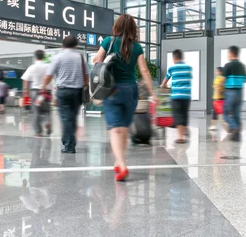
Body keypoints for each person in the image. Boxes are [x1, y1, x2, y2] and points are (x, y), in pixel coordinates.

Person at [93, 14, 156, 182]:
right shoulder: (137, 47)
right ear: (133, 29)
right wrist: (152, 92)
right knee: (124, 129)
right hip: (131, 91)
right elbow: (144, 71)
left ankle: (122, 164)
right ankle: (118, 160)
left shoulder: (108, 42)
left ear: (117, 26)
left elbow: (97, 61)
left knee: (115, 129)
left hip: (112, 89)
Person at [42, 36, 87, 154]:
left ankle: (69, 145)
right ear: (76, 45)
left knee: (66, 118)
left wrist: (43, 87)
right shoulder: (81, 57)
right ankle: (69, 142)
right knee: (72, 117)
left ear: (63, 45)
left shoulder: (58, 57)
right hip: (78, 91)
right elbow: (86, 76)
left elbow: (49, 75)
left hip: (63, 91)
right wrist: (85, 86)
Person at [160, 49, 192, 145]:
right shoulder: (188, 68)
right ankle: (184, 128)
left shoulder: (172, 68)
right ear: (182, 57)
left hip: (176, 96)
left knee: (177, 115)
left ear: (174, 58)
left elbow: (164, 82)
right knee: (184, 113)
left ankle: (181, 137)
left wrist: (163, 86)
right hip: (186, 96)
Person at [222, 45, 246, 141]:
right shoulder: (242, 66)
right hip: (240, 92)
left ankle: (235, 127)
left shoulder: (228, 66)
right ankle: (236, 135)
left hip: (230, 92)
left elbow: (223, 79)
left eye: (228, 53)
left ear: (232, 53)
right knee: (236, 114)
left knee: (225, 113)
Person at [22, 50, 51, 137]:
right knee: (47, 111)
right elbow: (52, 77)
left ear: (35, 57)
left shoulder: (32, 67)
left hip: (35, 92)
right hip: (46, 92)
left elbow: (25, 79)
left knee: (36, 112)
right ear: (44, 57)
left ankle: (38, 132)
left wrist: (26, 91)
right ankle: (48, 122)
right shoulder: (48, 66)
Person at [210, 67, 225, 132]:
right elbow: (214, 86)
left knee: (219, 112)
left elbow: (219, 87)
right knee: (215, 112)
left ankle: (224, 125)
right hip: (216, 98)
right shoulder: (217, 78)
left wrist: (219, 88)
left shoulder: (222, 78)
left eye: (217, 71)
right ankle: (213, 126)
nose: (216, 72)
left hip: (219, 98)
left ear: (220, 72)